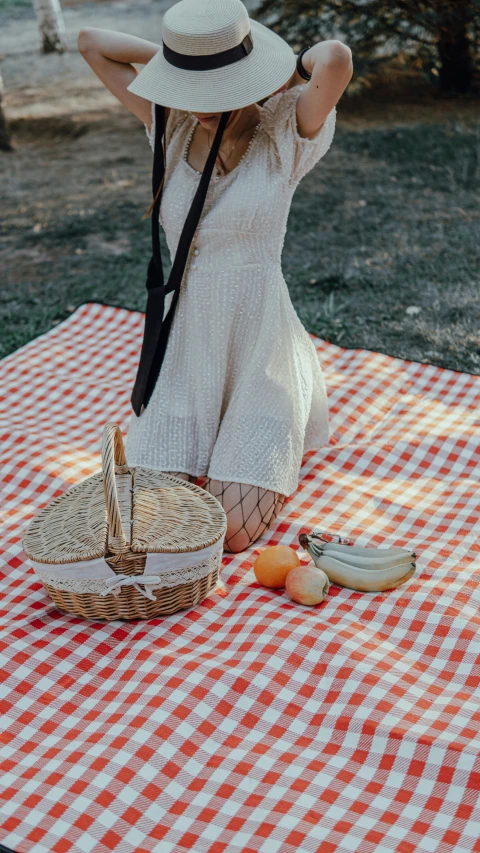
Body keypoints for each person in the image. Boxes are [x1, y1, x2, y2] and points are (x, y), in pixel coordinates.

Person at [78, 0, 353, 554]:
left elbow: (337, 58)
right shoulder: (170, 122)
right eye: (192, 89)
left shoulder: (286, 132)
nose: (202, 106)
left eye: (219, 88)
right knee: (148, 525)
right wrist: (184, 72)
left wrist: (272, 76)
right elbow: (91, 41)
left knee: (232, 533)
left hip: (260, 349)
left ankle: (266, 433)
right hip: (188, 347)